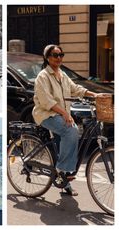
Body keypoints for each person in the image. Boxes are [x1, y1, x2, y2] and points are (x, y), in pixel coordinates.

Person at [32, 44, 98, 196]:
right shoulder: (43, 76)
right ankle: (63, 169)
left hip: (60, 115)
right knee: (71, 131)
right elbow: (46, 101)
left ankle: (64, 181)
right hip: (45, 115)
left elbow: (76, 89)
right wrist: (65, 114)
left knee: (67, 140)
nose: (59, 58)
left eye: (61, 55)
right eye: (55, 55)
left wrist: (94, 95)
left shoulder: (62, 74)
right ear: (47, 58)